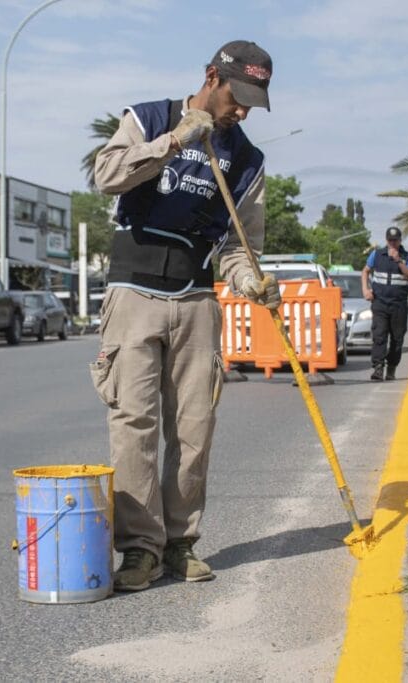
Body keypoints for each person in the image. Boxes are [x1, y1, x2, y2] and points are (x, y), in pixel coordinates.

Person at [91, 40, 280, 592]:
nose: (241, 111)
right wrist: (174, 142)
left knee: (194, 429)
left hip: (197, 299)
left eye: (253, 102)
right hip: (134, 293)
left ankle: (179, 544)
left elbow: (240, 244)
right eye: (236, 97)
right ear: (210, 77)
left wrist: (249, 281)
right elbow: (106, 175)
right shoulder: (148, 118)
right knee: (135, 427)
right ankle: (140, 550)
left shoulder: (247, 160)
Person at [361, 226, 408, 381]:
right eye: (390, 240)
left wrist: (398, 261)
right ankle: (378, 368)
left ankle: (391, 368)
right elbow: (365, 271)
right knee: (379, 336)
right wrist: (366, 290)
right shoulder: (377, 254)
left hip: (399, 305)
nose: (392, 243)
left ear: (400, 240)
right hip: (380, 303)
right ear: (386, 240)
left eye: (395, 240)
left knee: (397, 339)